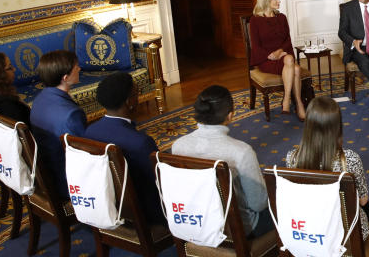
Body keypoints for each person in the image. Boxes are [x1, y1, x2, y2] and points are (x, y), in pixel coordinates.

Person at [171, 85, 273, 237]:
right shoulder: (241, 152)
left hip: (195, 222)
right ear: (230, 115)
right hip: (237, 229)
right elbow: (258, 204)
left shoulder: (177, 146)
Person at [285, 96, 369, 240]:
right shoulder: (350, 159)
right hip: (348, 237)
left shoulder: (292, 158)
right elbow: (363, 201)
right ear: (338, 127)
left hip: (312, 234)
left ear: (308, 126)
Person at [85, 72, 165, 225]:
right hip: (146, 214)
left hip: (107, 204)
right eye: (137, 93)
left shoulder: (89, 132)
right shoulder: (141, 142)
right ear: (130, 102)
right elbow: (160, 181)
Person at [30, 50, 87, 199]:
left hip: (46, 173)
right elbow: (85, 153)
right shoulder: (71, 115)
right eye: (76, 67)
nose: (79, 69)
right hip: (67, 181)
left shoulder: (40, 99)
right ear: (65, 78)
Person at [249, 0, 306, 121]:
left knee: (290, 60)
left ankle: (287, 99)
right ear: (266, 0)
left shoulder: (282, 18)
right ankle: (298, 103)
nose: (279, 1)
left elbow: (287, 41)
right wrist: (272, 54)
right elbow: (256, 47)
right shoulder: (255, 21)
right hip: (266, 60)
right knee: (296, 69)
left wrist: (280, 51)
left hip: (283, 57)